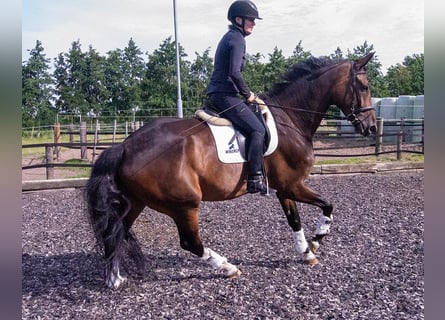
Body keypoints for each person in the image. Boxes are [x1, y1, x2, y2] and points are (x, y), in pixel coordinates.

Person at [207, 0, 268, 195]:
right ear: (238, 19)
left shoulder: (231, 37)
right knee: (258, 129)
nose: (253, 23)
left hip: (221, 93)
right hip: (225, 95)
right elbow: (234, 72)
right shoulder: (237, 39)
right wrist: (249, 95)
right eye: (250, 19)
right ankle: (254, 178)